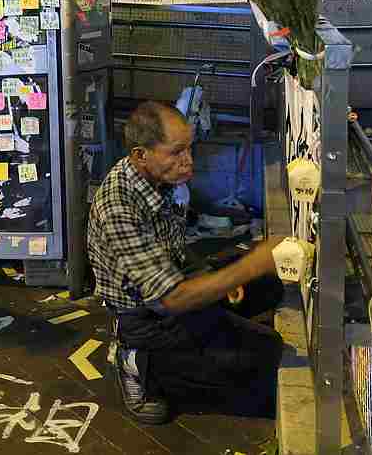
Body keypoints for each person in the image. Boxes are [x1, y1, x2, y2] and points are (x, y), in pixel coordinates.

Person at [87, 101, 286, 424]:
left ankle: (211, 332)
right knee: (267, 356)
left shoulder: (159, 179)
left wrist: (219, 277)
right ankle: (142, 364)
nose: (188, 161)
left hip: (174, 284)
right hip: (147, 318)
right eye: (177, 152)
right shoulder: (118, 206)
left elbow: (174, 245)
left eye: (190, 149)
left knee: (268, 283)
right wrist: (251, 265)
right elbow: (170, 298)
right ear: (141, 155)